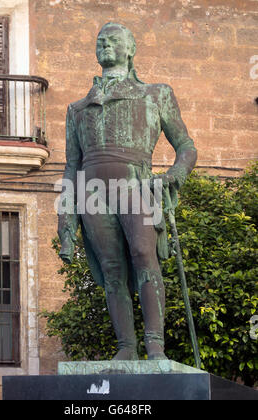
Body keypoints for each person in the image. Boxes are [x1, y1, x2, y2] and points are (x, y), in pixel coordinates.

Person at [58, 22, 197, 361]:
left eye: (113, 40)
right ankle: (126, 348)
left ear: (130, 48)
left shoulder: (156, 94)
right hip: (92, 193)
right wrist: (65, 221)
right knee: (111, 270)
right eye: (100, 40)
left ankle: (155, 346)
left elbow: (186, 146)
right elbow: (71, 166)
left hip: (136, 184)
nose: (105, 44)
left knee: (143, 256)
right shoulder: (77, 109)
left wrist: (172, 176)